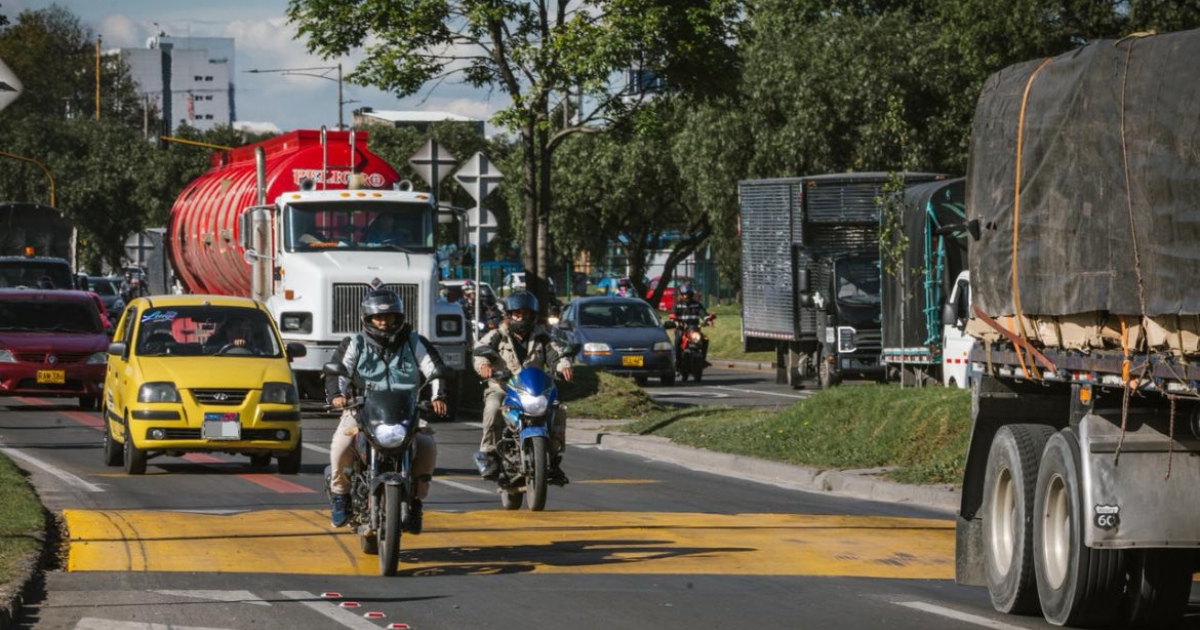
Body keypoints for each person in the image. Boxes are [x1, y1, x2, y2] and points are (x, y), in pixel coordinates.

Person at [324, 289, 449, 531]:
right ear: (367, 319)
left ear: (398, 318)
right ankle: (340, 496)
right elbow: (338, 371)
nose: (383, 323)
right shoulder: (354, 342)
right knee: (340, 446)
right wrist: (337, 396)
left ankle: (415, 501)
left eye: (389, 317)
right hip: (361, 409)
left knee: (427, 447)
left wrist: (438, 396)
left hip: (405, 410)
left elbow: (435, 369)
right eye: (378, 318)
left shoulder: (414, 341)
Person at [473, 290, 573, 481]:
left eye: (525, 313)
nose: (521, 317)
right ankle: (488, 453)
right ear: (509, 315)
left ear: (533, 315)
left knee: (558, 409)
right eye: (517, 313)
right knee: (493, 407)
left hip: (534, 389)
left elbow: (556, 354)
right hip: (503, 387)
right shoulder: (497, 335)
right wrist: (484, 365)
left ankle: (553, 457)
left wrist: (563, 366)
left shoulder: (543, 337)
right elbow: (480, 351)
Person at [671, 282, 712, 367]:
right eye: (684, 294)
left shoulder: (697, 304)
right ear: (681, 294)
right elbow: (673, 315)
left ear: (692, 294)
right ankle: (677, 361)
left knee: (705, 339)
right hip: (681, 329)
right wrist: (676, 321)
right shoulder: (677, 305)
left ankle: (703, 360)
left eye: (688, 294)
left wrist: (708, 320)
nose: (686, 296)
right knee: (677, 339)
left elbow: (703, 314)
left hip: (694, 330)